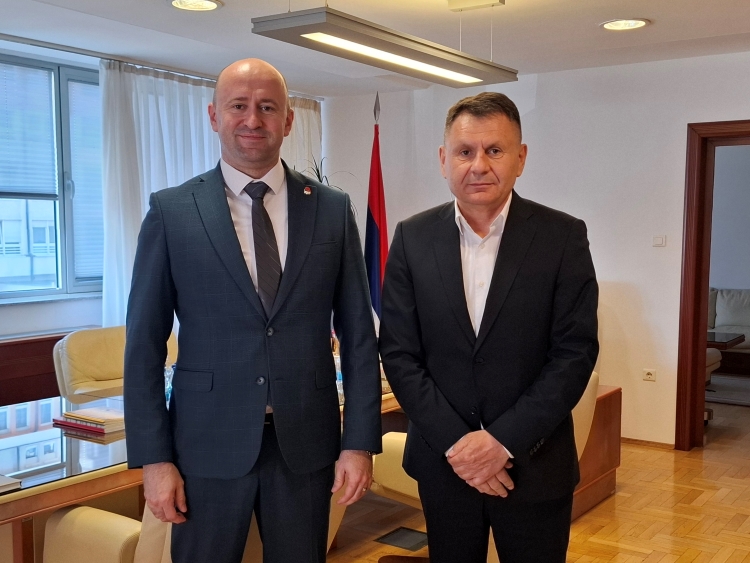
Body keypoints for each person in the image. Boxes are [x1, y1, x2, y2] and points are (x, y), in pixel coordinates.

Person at [123, 58, 382, 563]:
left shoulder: (331, 208)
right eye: (238, 106)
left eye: (267, 107)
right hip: (205, 445)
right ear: (213, 116)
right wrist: (154, 460)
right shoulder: (172, 211)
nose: (252, 120)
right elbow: (144, 346)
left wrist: (358, 444)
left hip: (306, 445)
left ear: (288, 120)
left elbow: (358, 336)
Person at [379, 92, 599, 563]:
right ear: (444, 160)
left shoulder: (562, 236)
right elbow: (398, 352)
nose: (479, 165)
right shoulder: (412, 238)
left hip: (534, 464)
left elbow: (574, 353)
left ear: (521, 158)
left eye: (495, 150)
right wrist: (459, 446)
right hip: (445, 465)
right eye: (465, 151)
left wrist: (502, 442)